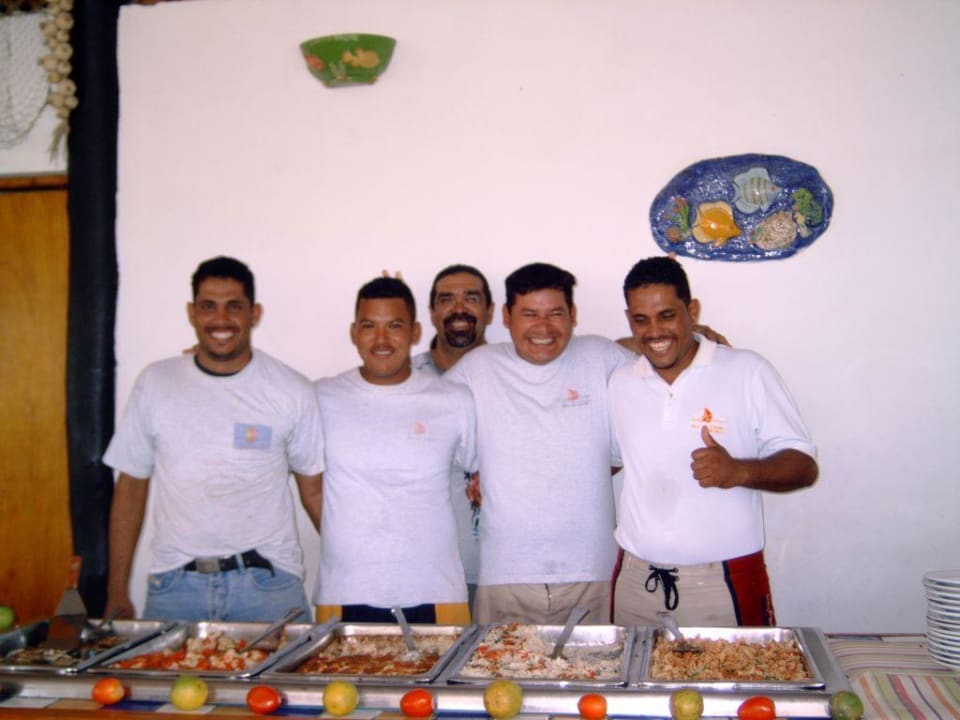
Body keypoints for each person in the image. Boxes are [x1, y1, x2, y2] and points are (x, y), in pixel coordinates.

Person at [103, 256, 324, 622]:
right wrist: (116, 590)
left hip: (269, 587)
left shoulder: (291, 390)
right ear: (192, 313)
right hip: (174, 587)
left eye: (233, 306)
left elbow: (314, 491)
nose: (221, 319)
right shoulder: (155, 384)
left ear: (254, 313)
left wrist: (355, 569)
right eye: (208, 306)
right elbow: (130, 488)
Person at [609, 256, 818, 627]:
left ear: (692, 311)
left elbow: (804, 466)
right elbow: (607, 459)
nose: (654, 331)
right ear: (629, 320)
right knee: (629, 668)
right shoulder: (620, 380)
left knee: (744, 670)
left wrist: (739, 471)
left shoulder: (746, 369)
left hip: (725, 579)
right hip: (634, 579)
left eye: (667, 316)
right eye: (641, 319)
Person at [445, 262, 633, 624]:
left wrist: (697, 336)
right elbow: (428, 427)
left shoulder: (601, 357)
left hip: (594, 573)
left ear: (573, 314)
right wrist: (482, 472)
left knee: (599, 663)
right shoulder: (476, 368)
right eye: (529, 314)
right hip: (505, 574)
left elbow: (661, 377)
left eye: (555, 314)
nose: (543, 328)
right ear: (506, 316)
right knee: (500, 663)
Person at [313, 276, 477, 624]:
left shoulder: (454, 399)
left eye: (395, 326)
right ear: (353, 332)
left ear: (415, 331)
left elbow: (483, 470)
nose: (382, 339)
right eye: (369, 326)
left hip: (436, 591)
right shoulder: (319, 397)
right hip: (345, 590)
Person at [411, 264, 495, 609]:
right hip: (424, 572)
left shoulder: (513, 373)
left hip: (504, 571)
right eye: (446, 299)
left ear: (490, 311)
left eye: (471, 298)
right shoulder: (406, 381)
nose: (459, 308)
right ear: (431, 312)